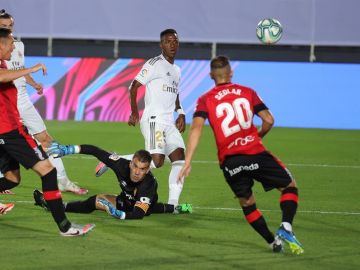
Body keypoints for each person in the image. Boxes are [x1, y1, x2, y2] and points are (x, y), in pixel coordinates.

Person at [178, 56, 304, 254]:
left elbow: (196, 129)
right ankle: (286, 226)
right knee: (289, 185)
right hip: (255, 152)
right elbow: (269, 119)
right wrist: (258, 135)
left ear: (211, 75)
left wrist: (188, 161)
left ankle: (273, 242)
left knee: (247, 203)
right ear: (231, 73)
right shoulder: (248, 92)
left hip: (230, 161)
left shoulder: (205, 99)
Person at [0, 27, 94, 235]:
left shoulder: (4, 64)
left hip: (6, 131)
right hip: (9, 132)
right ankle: (65, 226)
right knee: (48, 171)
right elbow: (2, 77)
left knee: (12, 178)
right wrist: (30, 69)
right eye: (10, 42)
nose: (14, 46)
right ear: (1, 44)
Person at [0, 10, 88, 195]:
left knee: (46, 139)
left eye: (10, 26)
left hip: (22, 100)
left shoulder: (17, 46)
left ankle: (63, 180)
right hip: (5, 104)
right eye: (3, 27)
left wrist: (34, 83)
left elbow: (20, 70)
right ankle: (5, 179)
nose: (7, 30)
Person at [97, 29, 187, 206]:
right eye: (168, 42)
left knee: (180, 160)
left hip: (169, 122)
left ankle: (173, 205)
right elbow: (133, 86)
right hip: (154, 120)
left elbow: (176, 95)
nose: (172, 45)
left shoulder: (177, 70)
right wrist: (134, 111)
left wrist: (181, 112)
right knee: (157, 161)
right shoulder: (154, 64)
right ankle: (114, 160)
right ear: (161, 45)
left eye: (175, 41)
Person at [35, 143, 192, 219]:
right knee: (94, 201)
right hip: (123, 200)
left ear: (148, 170)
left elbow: (138, 214)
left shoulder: (149, 184)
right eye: (135, 166)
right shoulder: (120, 164)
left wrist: (119, 215)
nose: (137, 172)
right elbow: (96, 151)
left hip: (142, 206)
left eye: (143, 169)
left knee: (160, 208)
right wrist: (70, 149)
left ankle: (177, 208)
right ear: (130, 163)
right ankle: (56, 207)